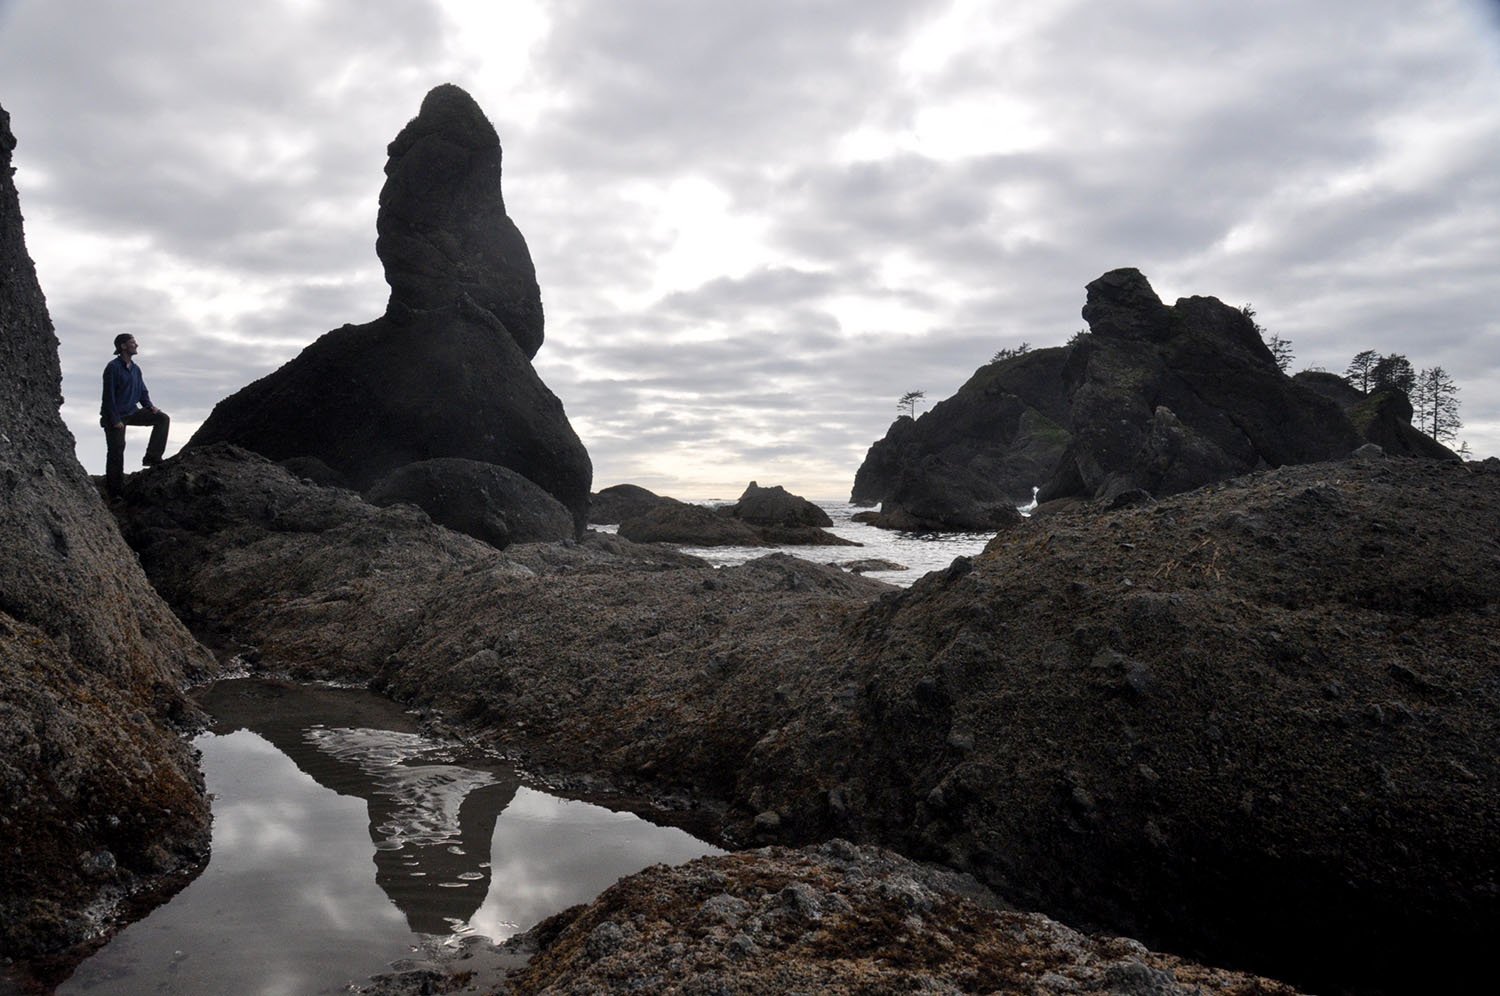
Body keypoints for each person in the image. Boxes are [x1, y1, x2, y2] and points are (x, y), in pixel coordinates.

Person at [100, 333, 170, 499]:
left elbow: (142, 391)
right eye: (133, 342)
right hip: (114, 416)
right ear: (123, 346)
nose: (136, 345)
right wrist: (115, 419)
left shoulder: (136, 369)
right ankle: (115, 493)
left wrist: (150, 407)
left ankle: (152, 457)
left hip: (132, 412)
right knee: (116, 451)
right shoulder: (113, 367)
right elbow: (108, 396)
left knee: (162, 418)